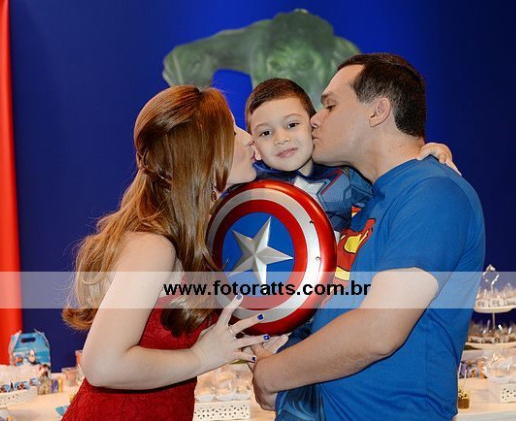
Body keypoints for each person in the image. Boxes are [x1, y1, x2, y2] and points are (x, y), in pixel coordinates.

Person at [251, 54, 485, 421]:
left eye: (330, 105)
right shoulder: (367, 198)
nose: (315, 119)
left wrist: (273, 374)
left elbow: (379, 330)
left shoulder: (433, 191)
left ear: (378, 112)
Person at [61, 85, 269, 420]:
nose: (248, 139)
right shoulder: (154, 246)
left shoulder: (188, 237)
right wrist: (200, 358)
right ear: (198, 152)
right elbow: (102, 365)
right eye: (231, 132)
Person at [246, 77, 458, 236]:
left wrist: (431, 156)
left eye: (292, 124)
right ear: (254, 145)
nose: (281, 139)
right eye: (265, 133)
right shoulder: (250, 186)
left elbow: (397, 183)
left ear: (314, 124)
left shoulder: (347, 175)